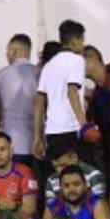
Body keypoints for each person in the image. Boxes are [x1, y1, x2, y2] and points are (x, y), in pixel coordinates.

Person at [34, 19, 89, 160]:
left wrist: (37, 137)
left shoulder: (48, 65)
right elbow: (72, 92)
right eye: (82, 40)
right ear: (75, 41)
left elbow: (39, 103)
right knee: (80, 176)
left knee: (61, 177)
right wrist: (84, 126)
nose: (83, 45)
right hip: (72, 128)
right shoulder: (77, 60)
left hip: (52, 131)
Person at [0, 35, 39, 163]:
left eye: (7, 51)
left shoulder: (0, 76)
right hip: (38, 143)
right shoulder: (40, 74)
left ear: (14, 51)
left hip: (10, 144)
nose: (7, 55)